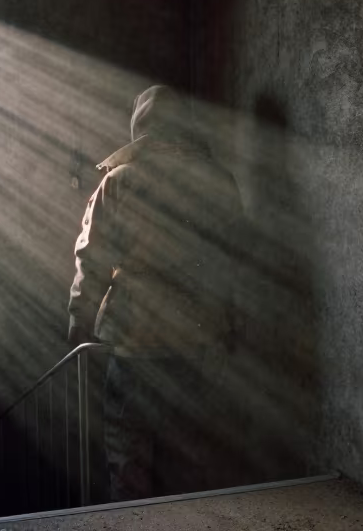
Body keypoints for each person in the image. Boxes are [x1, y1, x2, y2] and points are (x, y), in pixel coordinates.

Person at [67, 85, 242, 502]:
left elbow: (91, 259)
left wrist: (79, 319)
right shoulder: (220, 180)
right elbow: (235, 259)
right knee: (189, 456)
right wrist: (230, 320)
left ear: (139, 127)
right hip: (199, 336)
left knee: (129, 456)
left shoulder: (120, 180)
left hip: (135, 337)